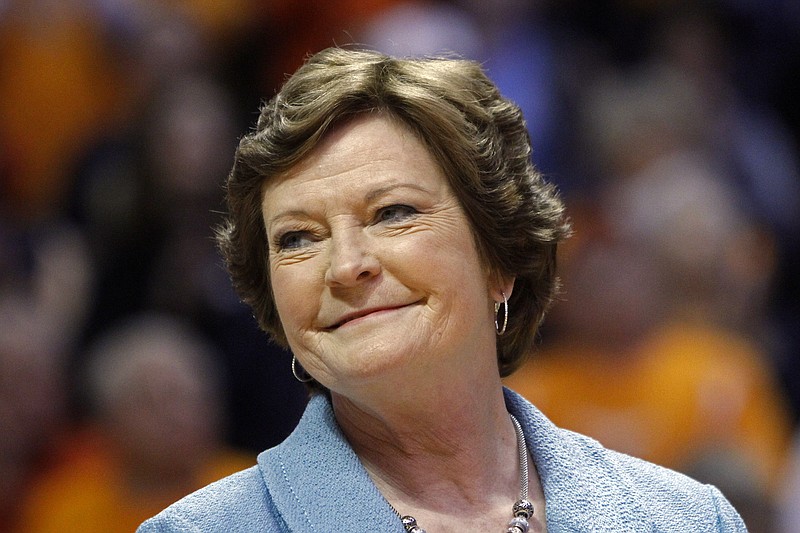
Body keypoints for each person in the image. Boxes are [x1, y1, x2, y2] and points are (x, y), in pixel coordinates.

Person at [138, 47, 746, 532]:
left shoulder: (686, 519)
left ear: (499, 256)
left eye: (393, 213)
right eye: (298, 238)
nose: (346, 265)